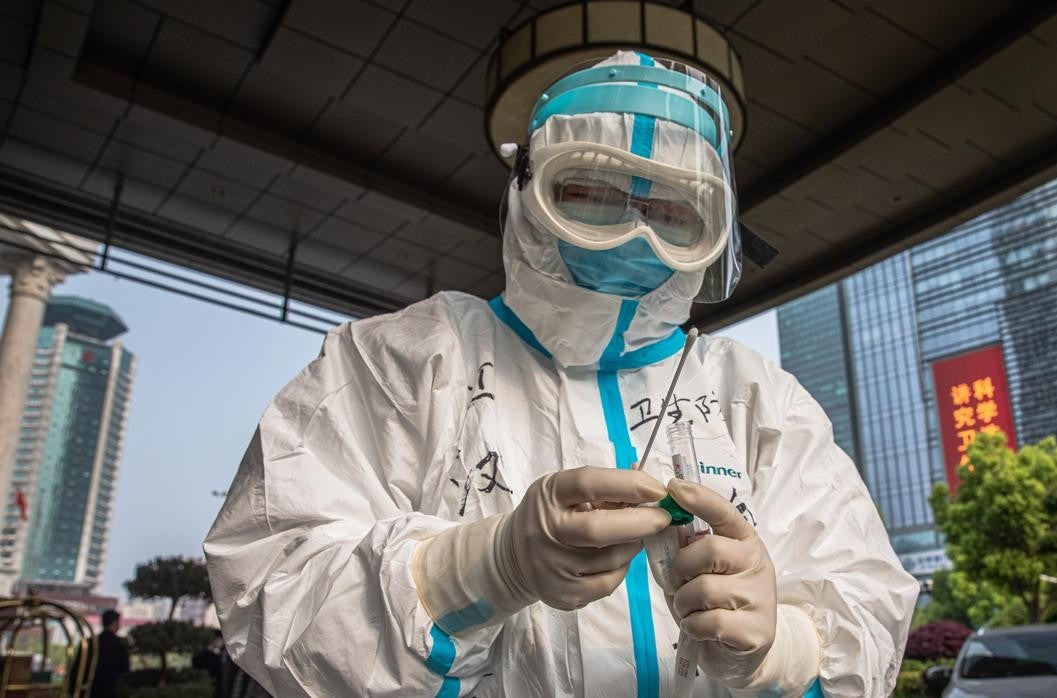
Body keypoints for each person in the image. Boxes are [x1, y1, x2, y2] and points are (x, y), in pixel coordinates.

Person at [205, 51, 918, 696]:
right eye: (591, 193)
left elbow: (863, 597)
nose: (635, 232)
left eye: (673, 211)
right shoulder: (403, 360)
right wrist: (477, 569)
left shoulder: (757, 398)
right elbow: (269, 577)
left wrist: (780, 652)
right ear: (528, 191)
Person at [90, 610, 130, 698]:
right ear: (115, 622)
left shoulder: (91, 642)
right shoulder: (121, 643)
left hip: (91, 690)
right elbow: (125, 670)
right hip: (113, 690)